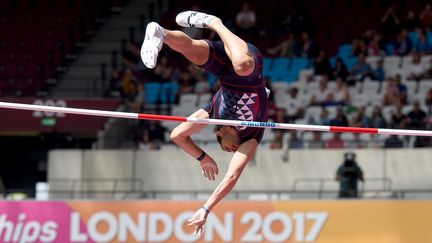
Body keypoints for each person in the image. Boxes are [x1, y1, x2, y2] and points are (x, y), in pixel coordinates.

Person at [140, 11, 268, 236]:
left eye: (228, 149)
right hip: (248, 64)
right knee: (242, 66)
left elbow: (177, 135)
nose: (233, 150)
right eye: (233, 150)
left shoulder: (211, 114)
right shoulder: (252, 136)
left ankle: (161, 32)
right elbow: (233, 175)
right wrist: (206, 209)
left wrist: (203, 158)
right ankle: (213, 23)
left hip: (226, 66)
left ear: (219, 135)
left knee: (194, 53)